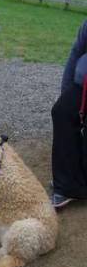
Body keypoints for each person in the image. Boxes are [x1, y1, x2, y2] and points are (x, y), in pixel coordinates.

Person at [51, 20, 87, 207]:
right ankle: (66, 185)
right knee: (61, 112)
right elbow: (76, 53)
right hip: (83, 84)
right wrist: (65, 91)